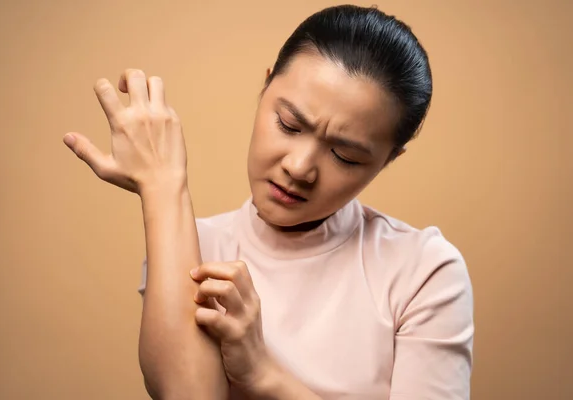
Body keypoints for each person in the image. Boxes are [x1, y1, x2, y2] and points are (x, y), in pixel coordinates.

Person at [63, 4, 474, 400]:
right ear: (264, 87)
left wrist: (261, 373)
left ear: (388, 160)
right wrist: (163, 186)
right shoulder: (189, 246)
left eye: (345, 155)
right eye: (289, 124)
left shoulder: (423, 271)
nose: (299, 168)